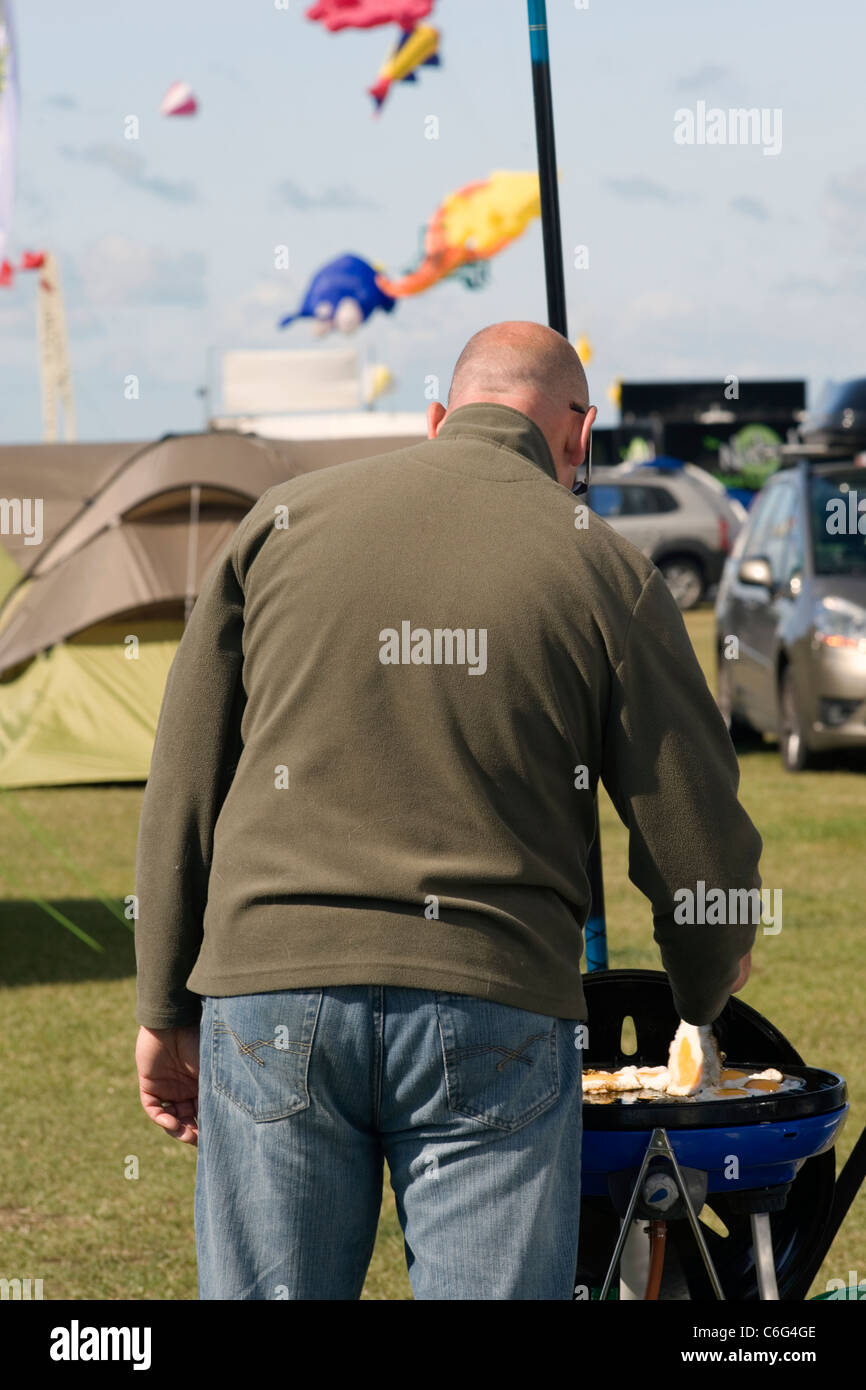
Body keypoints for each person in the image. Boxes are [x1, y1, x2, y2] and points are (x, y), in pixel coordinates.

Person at [134, 321, 760, 1300]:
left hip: (270, 992)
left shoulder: (280, 520)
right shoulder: (605, 566)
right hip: (494, 995)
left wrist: (163, 1002)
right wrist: (699, 993)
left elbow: (183, 778)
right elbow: (693, 826)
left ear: (436, 418)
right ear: (579, 435)